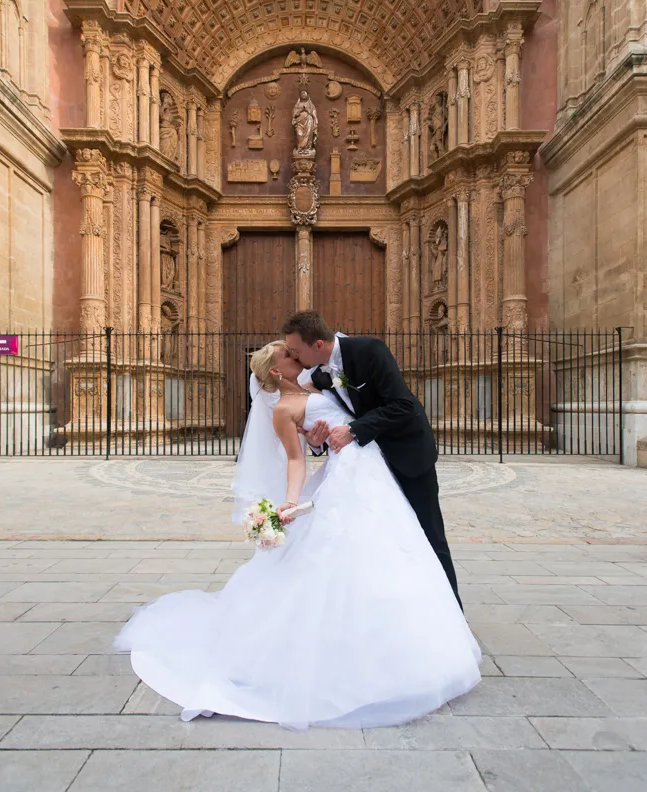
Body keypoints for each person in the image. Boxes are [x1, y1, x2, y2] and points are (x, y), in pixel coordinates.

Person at [115, 339, 480, 730]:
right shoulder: (283, 409)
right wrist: (291, 500)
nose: (298, 358)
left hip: (371, 471)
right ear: (276, 371)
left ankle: (424, 635)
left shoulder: (319, 383)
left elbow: (351, 415)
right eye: (289, 357)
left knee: (401, 549)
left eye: (295, 352)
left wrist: (320, 437)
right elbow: (295, 459)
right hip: (346, 480)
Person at [283, 309, 461, 605]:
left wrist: (354, 429)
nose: (294, 356)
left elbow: (403, 405)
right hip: (370, 465)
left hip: (408, 453)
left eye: (296, 350)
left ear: (317, 345)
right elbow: (334, 418)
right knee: (390, 538)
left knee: (429, 535)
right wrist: (317, 442)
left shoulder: (369, 350)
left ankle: (453, 611)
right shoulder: (318, 374)